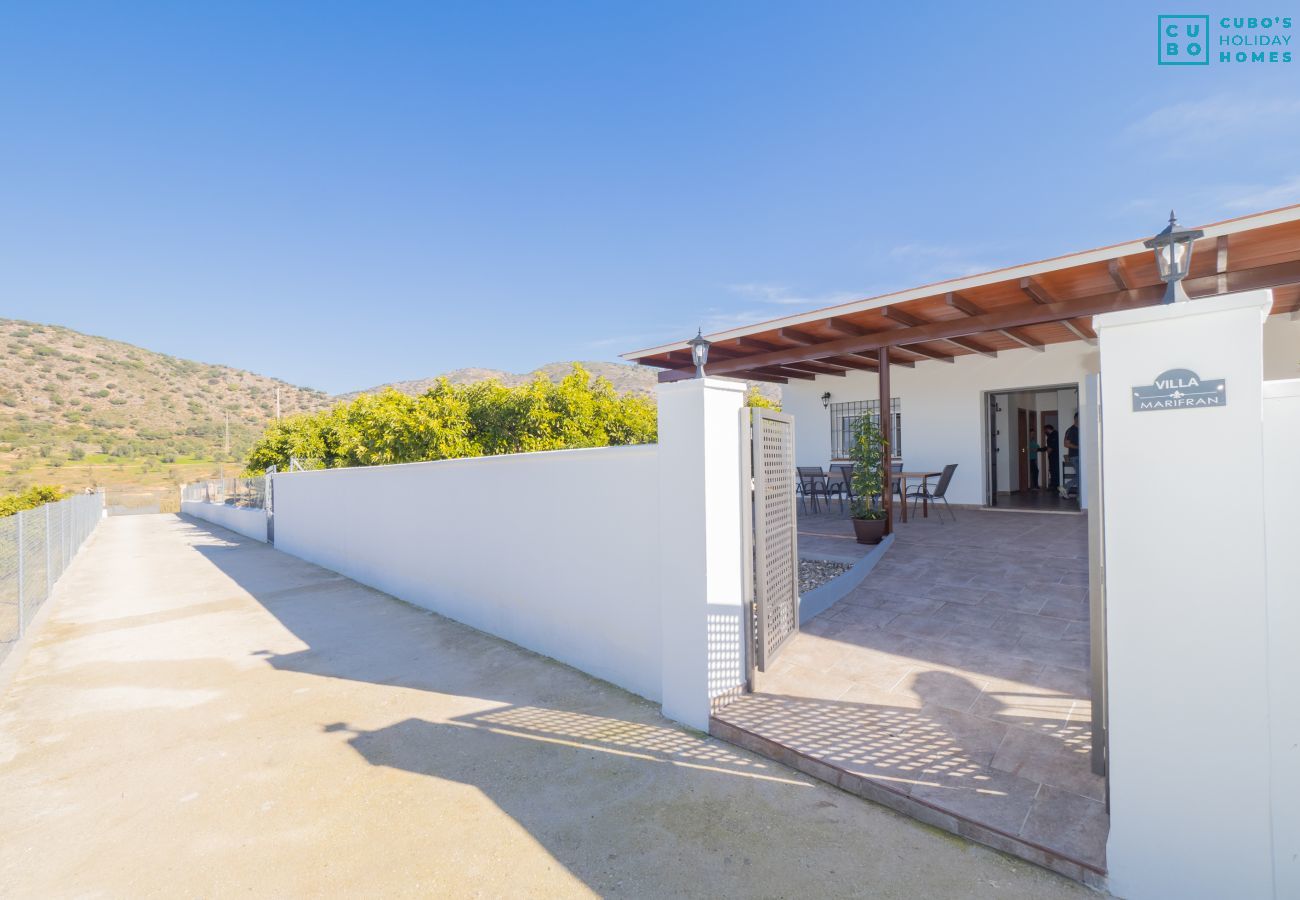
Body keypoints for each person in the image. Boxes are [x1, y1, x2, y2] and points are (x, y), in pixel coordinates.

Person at [1063, 412, 1080, 496]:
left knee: (1081, 475)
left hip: (1080, 456)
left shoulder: (1081, 429)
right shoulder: (1070, 430)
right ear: (1076, 419)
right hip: (1075, 456)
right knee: (1081, 475)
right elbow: (1066, 444)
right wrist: (1079, 447)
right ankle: (1065, 487)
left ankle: (1079, 495)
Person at [1044, 423, 1060, 491]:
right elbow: (1048, 447)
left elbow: (1051, 447)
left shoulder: (1053, 435)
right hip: (1054, 456)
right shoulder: (1055, 434)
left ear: (1048, 429)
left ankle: (1055, 486)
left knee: (1054, 470)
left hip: (1054, 456)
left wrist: (1048, 451)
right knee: (1053, 470)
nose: (1045, 432)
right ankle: (1055, 485)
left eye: (1045, 430)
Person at [1027, 427, 1040, 492]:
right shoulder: (1027, 441)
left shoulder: (1033, 441)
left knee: (1035, 471)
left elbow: (1038, 447)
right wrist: (1028, 450)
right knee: (1035, 471)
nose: (1032, 435)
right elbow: (1022, 450)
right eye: (1031, 434)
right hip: (1029, 459)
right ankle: (1035, 486)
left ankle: (1035, 485)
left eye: (1033, 434)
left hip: (1033, 459)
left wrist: (1035, 449)